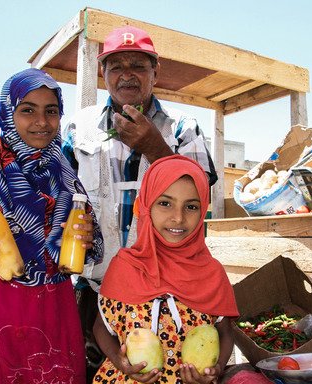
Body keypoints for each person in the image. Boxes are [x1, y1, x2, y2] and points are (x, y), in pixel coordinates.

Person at [61, 25, 218, 377]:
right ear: (103, 75)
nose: (126, 75)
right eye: (116, 66)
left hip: (166, 291)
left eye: (138, 65)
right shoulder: (79, 127)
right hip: (96, 288)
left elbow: (200, 191)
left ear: (155, 72)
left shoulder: (181, 128)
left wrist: (155, 148)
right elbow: (61, 195)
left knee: (162, 372)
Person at [0, 68, 104, 384]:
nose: (42, 122)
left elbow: (93, 241)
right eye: (28, 110)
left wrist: (87, 239)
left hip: (54, 305)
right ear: (8, 113)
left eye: (51, 111)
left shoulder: (64, 172)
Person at [92, 155, 238, 384]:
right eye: (165, 203)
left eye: (191, 206)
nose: (178, 218)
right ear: (147, 205)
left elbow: (226, 333)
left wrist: (215, 370)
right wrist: (120, 362)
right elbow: (101, 327)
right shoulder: (124, 266)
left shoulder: (212, 273)